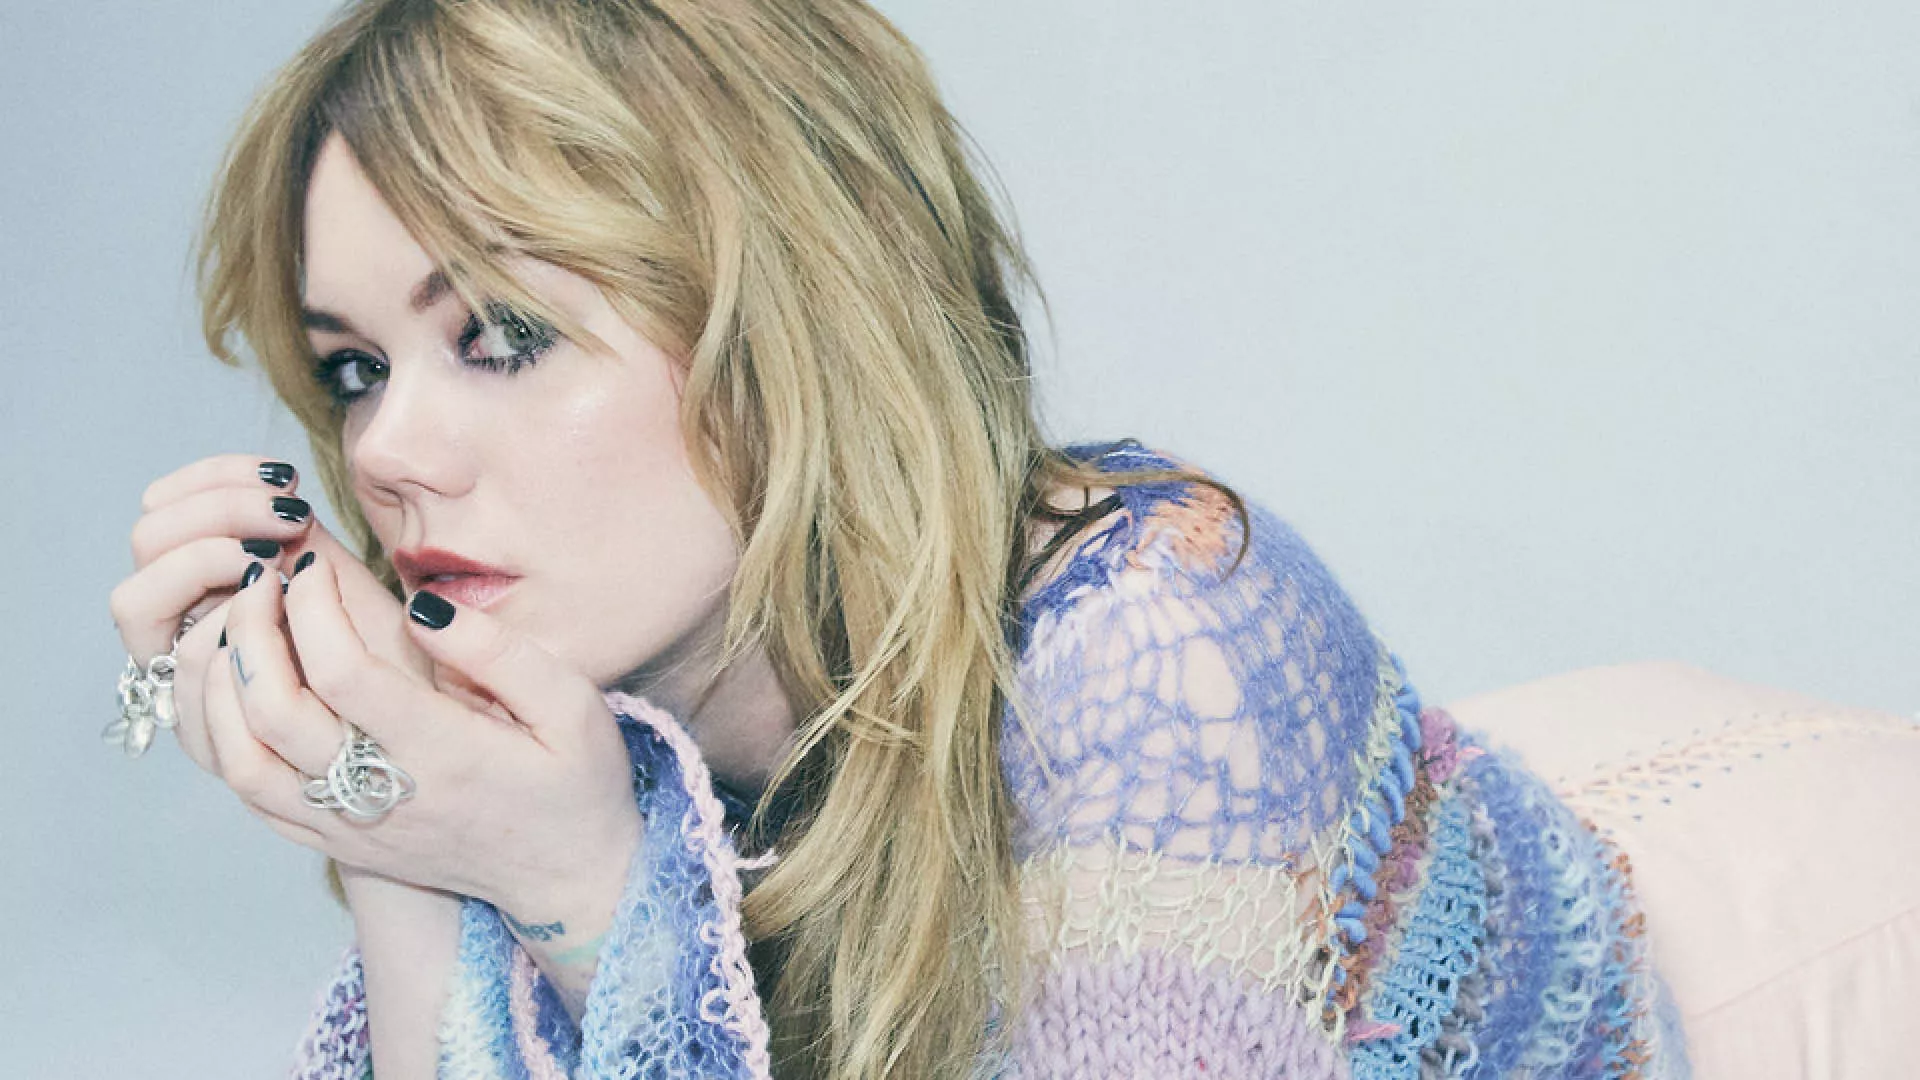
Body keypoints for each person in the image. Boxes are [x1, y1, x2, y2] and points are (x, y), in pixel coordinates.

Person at [106, 0, 1690, 1076]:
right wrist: (400, 845)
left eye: (502, 335)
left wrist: (583, 894)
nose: (386, 452)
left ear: (787, 319)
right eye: (356, 371)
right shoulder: (575, 714)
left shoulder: (1163, 662)